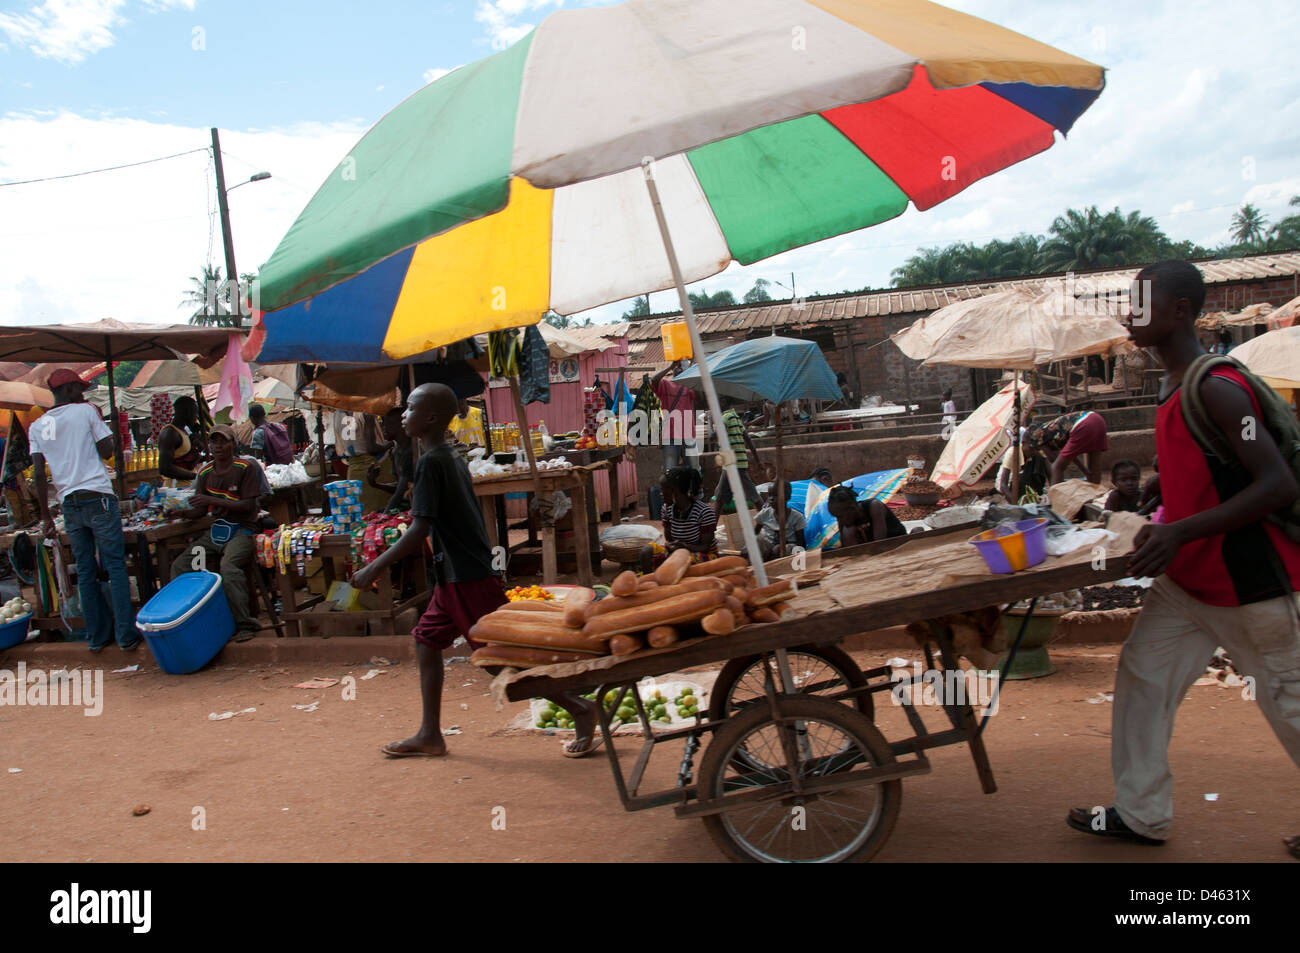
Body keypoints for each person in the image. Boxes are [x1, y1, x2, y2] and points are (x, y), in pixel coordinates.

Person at [1066, 259, 1300, 859]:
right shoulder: (1175, 388)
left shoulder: (1220, 387)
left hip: (1252, 588)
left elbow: (1275, 485)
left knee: (1290, 705)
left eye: (1140, 304)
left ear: (1180, 312)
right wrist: (1164, 491)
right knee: (1143, 679)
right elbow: (1216, 469)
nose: (1128, 314)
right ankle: (1141, 814)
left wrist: (1179, 530)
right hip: (1188, 585)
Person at [349, 384, 599, 759]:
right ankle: (430, 733)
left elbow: (418, 530)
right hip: (454, 574)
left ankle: (580, 708)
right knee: (427, 640)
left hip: (466, 576)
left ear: (430, 417)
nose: (402, 414)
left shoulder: (432, 462)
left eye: (411, 407)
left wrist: (374, 566)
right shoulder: (444, 456)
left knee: (498, 659)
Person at [30, 369, 141, 653]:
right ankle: (126, 636)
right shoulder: (86, 411)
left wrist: (45, 515)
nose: (83, 393)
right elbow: (107, 451)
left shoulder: (37, 426)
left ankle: (96, 638)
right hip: (98, 497)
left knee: (86, 571)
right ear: (67, 389)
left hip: (69, 505)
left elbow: (40, 476)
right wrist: (109, 424)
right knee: (115, 566)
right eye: (79, 389)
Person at [171, 425, 265, 642]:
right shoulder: (205, 472)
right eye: (214, 442)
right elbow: (200, 510)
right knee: (182, 565)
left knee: (229, 567)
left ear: (233, 444)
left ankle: (244, 623)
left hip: (242, 531)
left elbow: (248, 506)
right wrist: (182, 512)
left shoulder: (245, 467)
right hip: (216, 534)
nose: (218, 446)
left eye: (223, 441)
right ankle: (191, 619)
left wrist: (212, 501)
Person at [654, 466, 717, 565]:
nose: (661, 494)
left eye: (664, 490)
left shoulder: (704, 512)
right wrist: (669, 546)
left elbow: (705, 547)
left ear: (676, 490)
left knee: (680, 561)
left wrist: (684, 546)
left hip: (703, 554)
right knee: (647, 551)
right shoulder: (666, 509)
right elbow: (669, 540)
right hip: (679, 553)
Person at [1032, 410, 1109, 485]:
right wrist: (1085, 471)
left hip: (1082, 424)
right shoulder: (1055, 435)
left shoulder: (1039, 439)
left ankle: (1056, 497)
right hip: (1097, 419)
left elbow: (1055, 464)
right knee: (1094, 464)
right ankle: (1096, 493)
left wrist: (1053, 490)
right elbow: (1072, 456)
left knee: (1057, 468)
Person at [712, 398, 761, 514]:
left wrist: (710, 422)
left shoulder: (724, 418)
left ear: (723, 403)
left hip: (732, 462)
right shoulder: (736, 417)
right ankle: (711, 528)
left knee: (752, 495)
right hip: (736, 461)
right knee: (719, 496)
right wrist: (758, 460)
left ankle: (768, 519)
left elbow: (714, 436)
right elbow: (748, 439)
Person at [651, 361, 697, 471]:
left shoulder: (689, 386)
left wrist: (690, 372)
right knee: (670, 471)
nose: (679, 368)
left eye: (682, 366)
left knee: (694, 470)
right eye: (677, 366)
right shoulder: (666, 384)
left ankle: (693, 488)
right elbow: (654, 379)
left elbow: (700, 397)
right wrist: (671, 365)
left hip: (688, 435)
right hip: (670, 436)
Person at [367, 407, 414, 513]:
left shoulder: (410, 452)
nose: (383, 428)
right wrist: (375, 484)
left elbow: (400, 492)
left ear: (400, 425)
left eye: (387, 423)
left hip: (412, 508)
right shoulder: (396, 451)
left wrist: (383, 517)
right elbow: (399, 486)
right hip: (404, 506)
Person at [826, 485, 906, 546]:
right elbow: (845, 550)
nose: (839, 520)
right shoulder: (844, 519)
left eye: (840, 516)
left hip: (898, 542)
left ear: (852, 508)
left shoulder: (874, 507)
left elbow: (879, 544)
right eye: (836, 517)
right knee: (848, 531)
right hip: (872, 549)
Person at [158, 396, 204, 485]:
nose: (196, 417)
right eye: (195, 413)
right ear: (186, 413)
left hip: (187, 486)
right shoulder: (170, 433)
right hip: (175, 488)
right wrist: (196, 476)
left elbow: (185, 460)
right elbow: (165, 468)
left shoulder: (183, 432)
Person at [755, 481, 807, 560]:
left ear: (787, 497)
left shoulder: (797, 517)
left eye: (775, 495)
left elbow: (801, 542)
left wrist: (784, 548)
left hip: (788, 549)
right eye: (769, 495)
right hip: (769, 547)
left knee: (790, 548)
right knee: (758, 540)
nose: (771, 499)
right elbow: (755, 532)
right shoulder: (764, 514)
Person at [996, 438, 1049, 503]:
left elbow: (1050, 474)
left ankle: (1034, 493)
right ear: (1023, 443)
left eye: (1036, 449)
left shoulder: (1035, 453)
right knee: (1021, 478)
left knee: (1039, 457)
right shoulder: (1013, 452)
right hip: (1009, 486)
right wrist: (1016, 504)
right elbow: (1003, 485)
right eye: (1031, 449)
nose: (1034, 452)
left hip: (1024, 483)